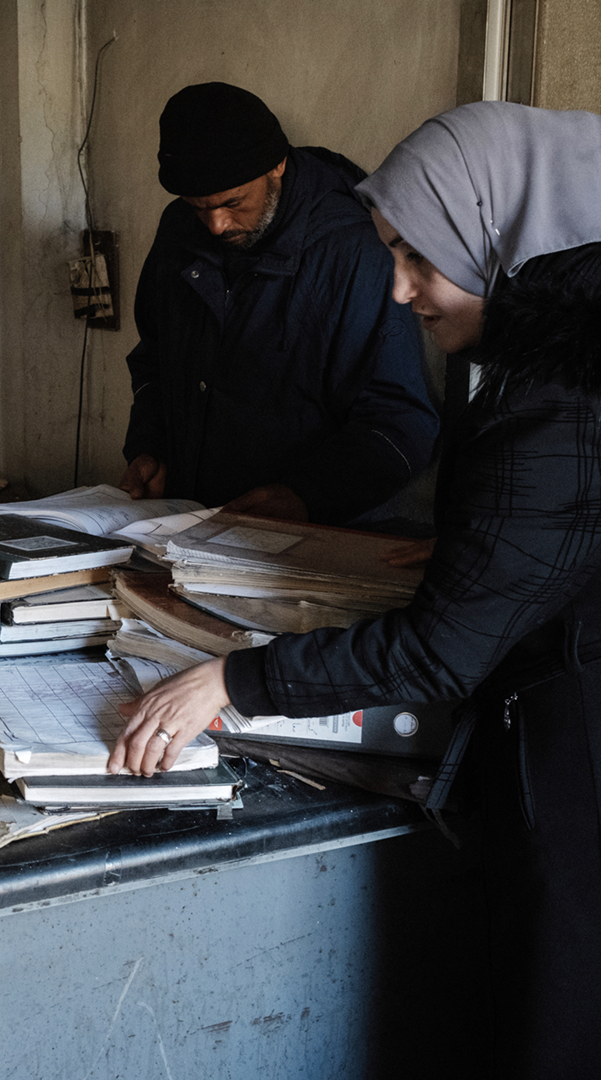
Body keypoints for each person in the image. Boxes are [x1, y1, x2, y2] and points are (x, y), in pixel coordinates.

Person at [111, 102, 601, 1078]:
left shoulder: (556, 405)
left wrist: (232, 684)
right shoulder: (548, 365)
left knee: (560, 1014)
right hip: (549, 717)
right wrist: (474, 557)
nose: (399, 288)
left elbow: (440, 650)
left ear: (499, 238)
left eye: (420, 258)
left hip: (576, 746)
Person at [120, 82, 439, 526]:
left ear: (277, 165)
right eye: (198, 207)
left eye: (233, 203)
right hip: (189, 528)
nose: (215, 224)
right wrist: (149, 447)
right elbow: (154, 360)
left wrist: (306, 496)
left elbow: (401, 422)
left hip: (311, 542)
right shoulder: (179, 231)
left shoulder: (353, 250)